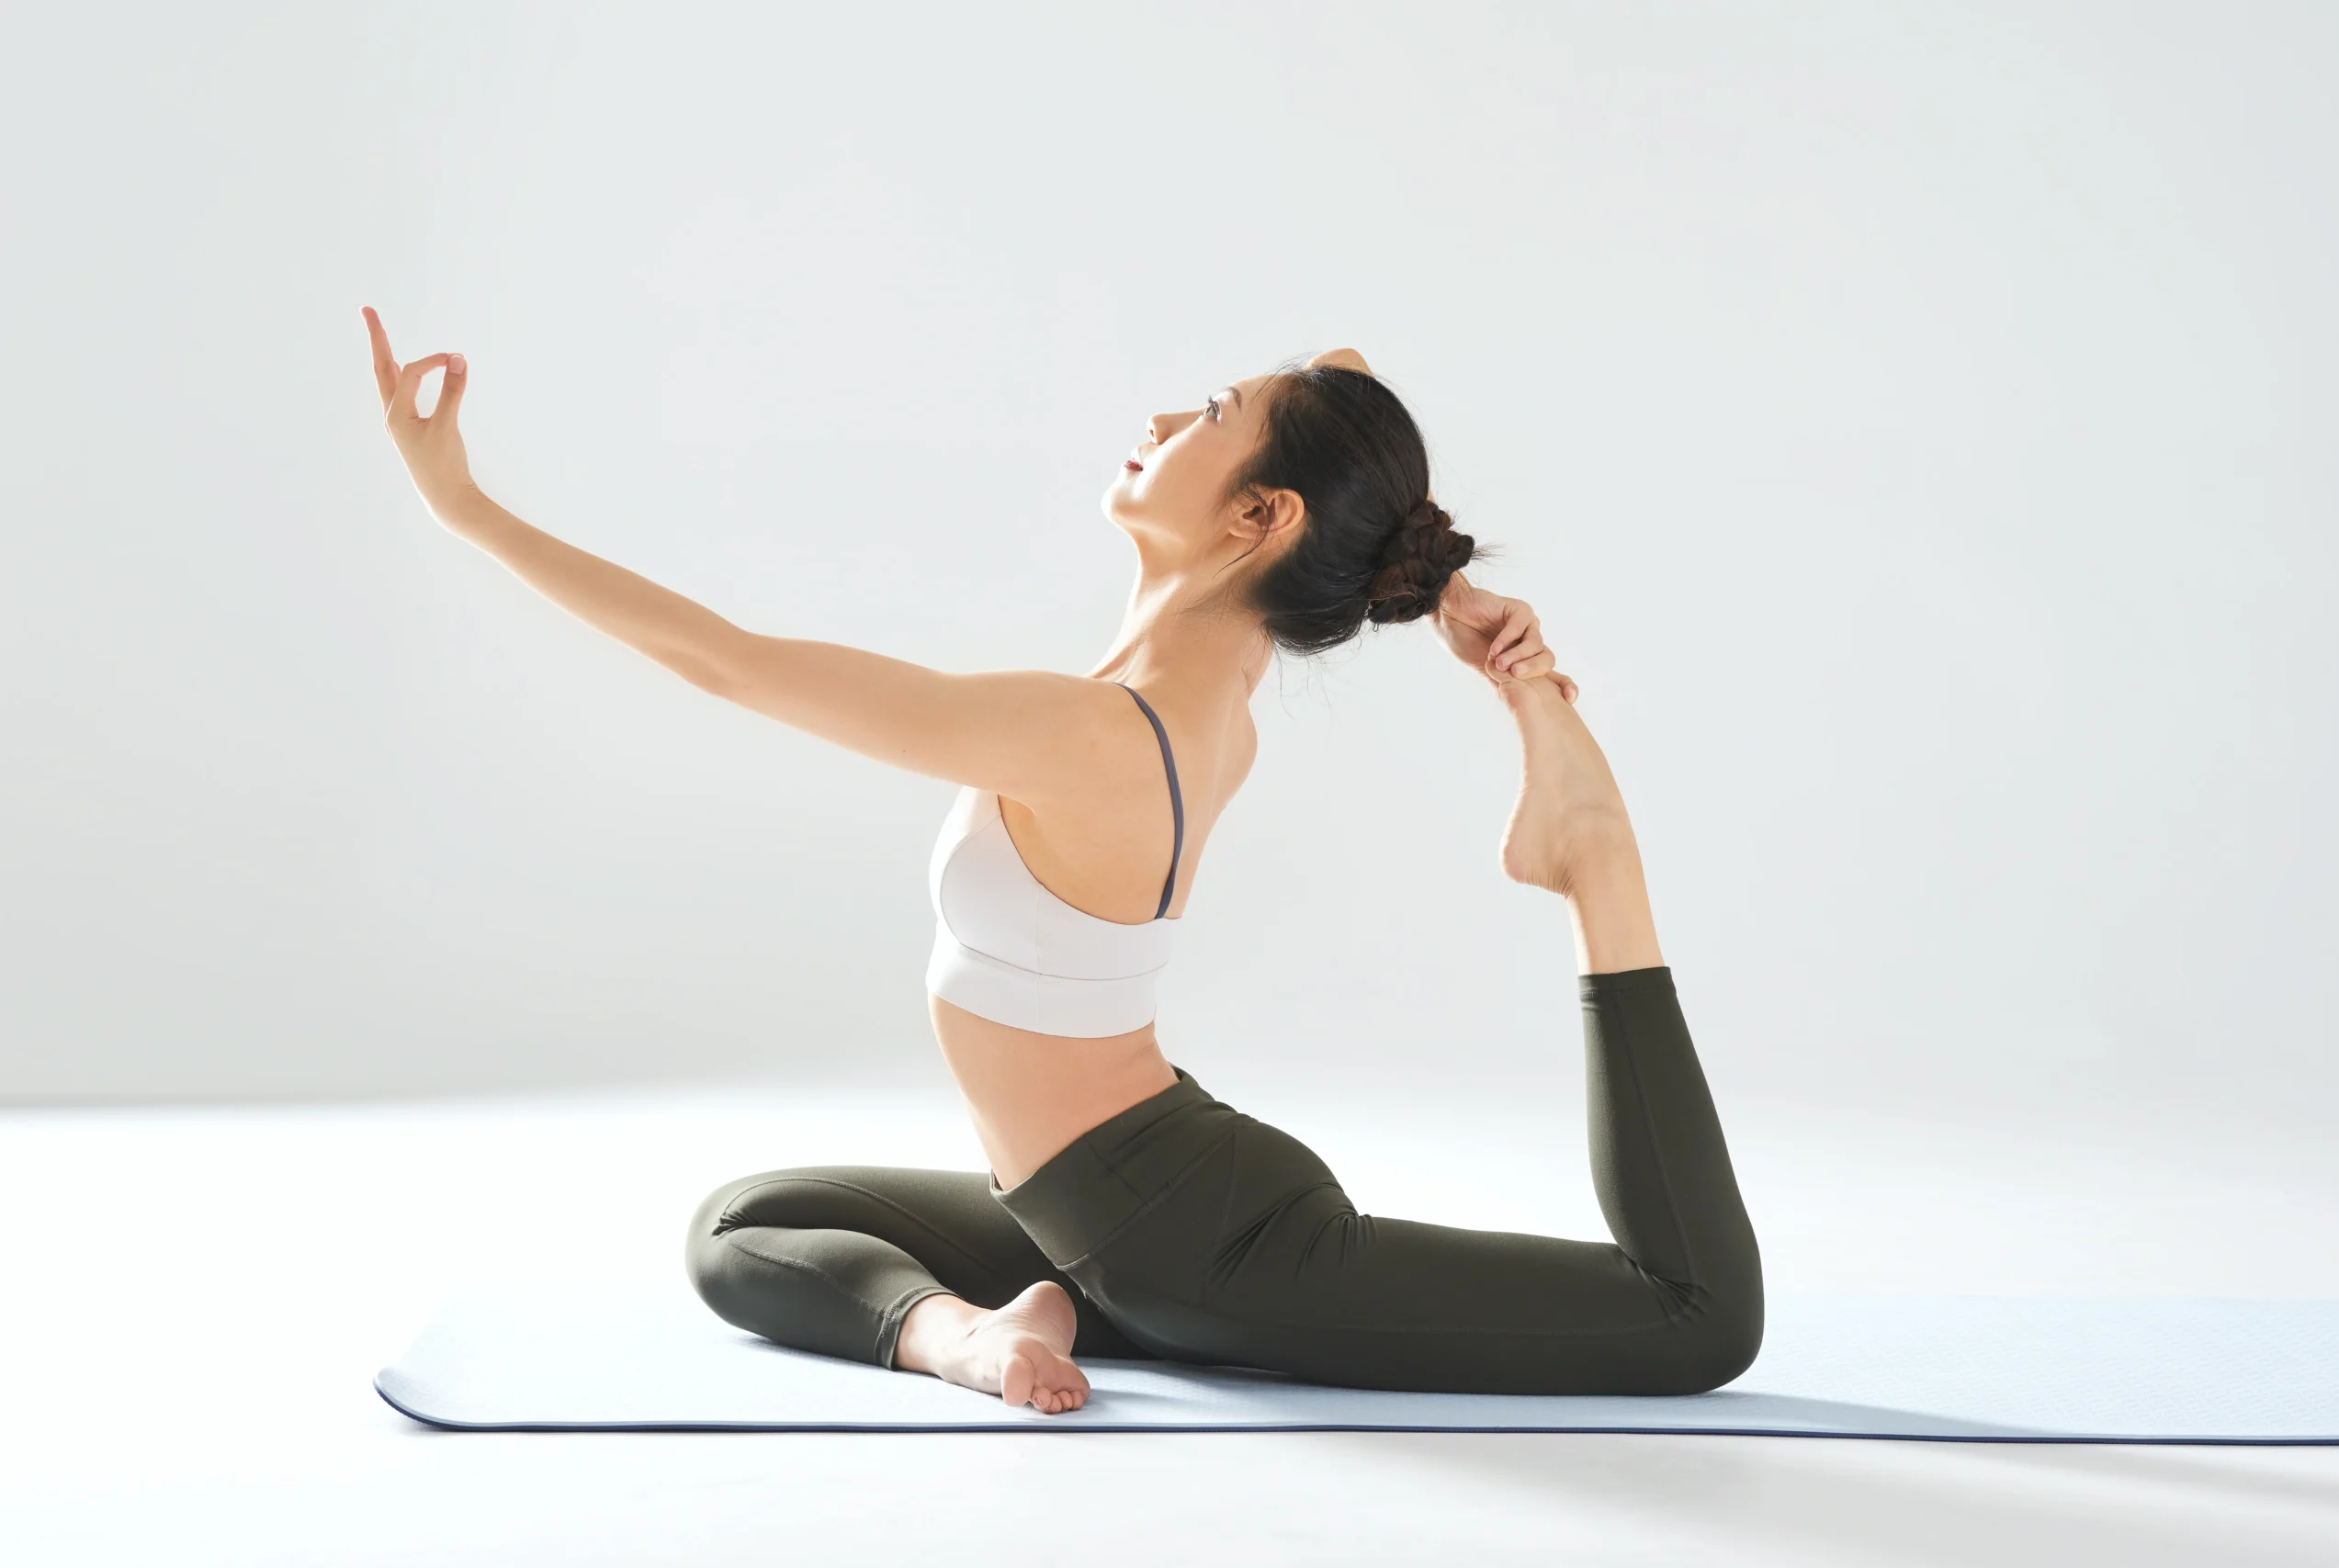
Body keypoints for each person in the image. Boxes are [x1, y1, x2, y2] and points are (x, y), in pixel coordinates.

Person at [365, 310, 1764, 1415]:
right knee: (748, 1223)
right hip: (1096, 1205)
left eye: (1207, 418)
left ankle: (1594, 857)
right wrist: (1441, 583)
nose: (1159, 419)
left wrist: (467, 512)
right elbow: (1340, 384)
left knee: (1695, 1314)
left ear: (1261, 521)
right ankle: (971, 1332)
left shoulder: (1090, 733)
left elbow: (726, 663)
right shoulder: (1197, 696)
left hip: (1204, 1253)